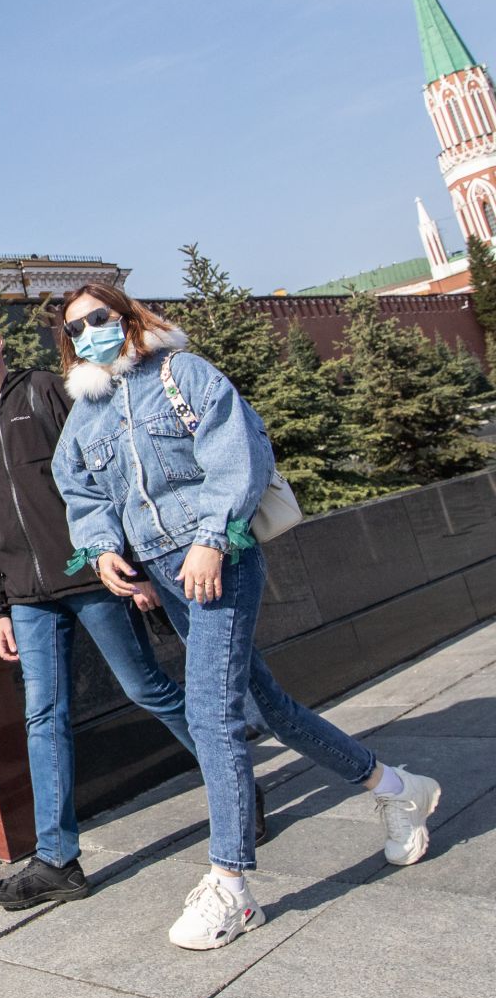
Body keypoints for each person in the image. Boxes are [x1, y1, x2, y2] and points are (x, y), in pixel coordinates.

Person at [52, 283, 441, 950]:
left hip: (219, 558)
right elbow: (77, 483)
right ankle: (399, 786)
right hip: (163, 572)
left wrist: (210, 540)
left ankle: (231, 886)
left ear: (126, 316)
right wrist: (108, 553)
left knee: (211, 715)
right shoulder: (87, 412)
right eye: (76, 328)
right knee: (269, 707)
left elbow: (240, 452)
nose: (89, 332)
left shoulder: (181, 372)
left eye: (99, 318)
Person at [0, 307, 220, 912]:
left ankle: (234, 790)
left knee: (146, 688)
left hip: (92, 577)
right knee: (43, 716)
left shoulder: (45, 393)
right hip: (29, 597)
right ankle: (57, 861)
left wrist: (132, 566)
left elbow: (108, 473)